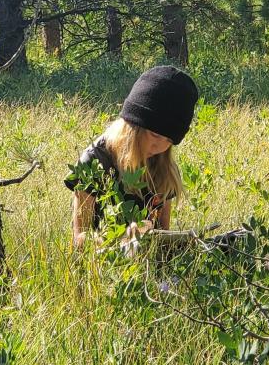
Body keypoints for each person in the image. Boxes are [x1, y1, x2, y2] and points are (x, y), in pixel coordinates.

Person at [64, 65, 199, 249]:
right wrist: (123, 238)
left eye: (169, 140)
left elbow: (163, 236)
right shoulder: (95, 161)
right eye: (155, 135)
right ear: (133, 126)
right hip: (103, 268)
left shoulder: (163, 166)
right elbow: (79, 240)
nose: (158, 147)